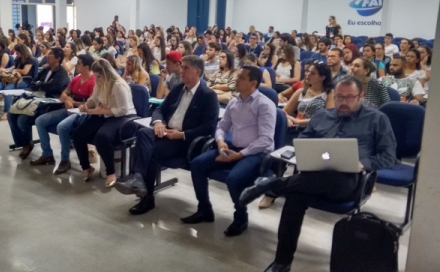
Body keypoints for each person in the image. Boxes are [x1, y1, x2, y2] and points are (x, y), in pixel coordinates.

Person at [238, 76, 396, 272]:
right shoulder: (322, 116)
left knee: (333, 176)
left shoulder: (377, 119)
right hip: (309, 177)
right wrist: (306, 152)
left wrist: (363, 164)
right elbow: (303, 140)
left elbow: (389, 156)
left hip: (347, 180)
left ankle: (272, 185)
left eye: (349, 98)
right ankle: (282, 262)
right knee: (295, 198)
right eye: (339, 97)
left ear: (361, 96)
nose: (343, 102)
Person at [114, 55, 220, 215]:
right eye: (181, 67)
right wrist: (158, 122)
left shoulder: (208, 95)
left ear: (197, 71)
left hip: (185, 141)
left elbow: (209, 127)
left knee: (148, 151)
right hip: (165, 132)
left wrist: (181, 134)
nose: (181, 71)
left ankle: (145, 194)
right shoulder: (178, 88)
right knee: (143, 132)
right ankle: (138, 179)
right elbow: (159, 110)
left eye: (186, 68)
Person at [180, 66, 276, 236]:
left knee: (234, 179)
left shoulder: (264, 105)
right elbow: (222, 126)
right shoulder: (234, 101)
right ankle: (204, 210)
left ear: (253, 83)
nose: (236, 80)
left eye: (241, 78)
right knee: (197, 164)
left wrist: (239, 155)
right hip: (232, 147)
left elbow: (265, 140)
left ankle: (241, 218)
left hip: (256, 153)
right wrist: (220, 141)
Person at [71, 59, 137, 187]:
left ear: (107, 74)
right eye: (95, 76)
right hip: (106, 113)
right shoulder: (99, 82)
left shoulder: (118, 85)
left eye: (99, 77)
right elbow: (94, 98)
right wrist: (86, 105)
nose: (97, 79)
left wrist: (98, 111)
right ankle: (86, 167)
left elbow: (122, 110)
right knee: (78, 134)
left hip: (124, 117)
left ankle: (111, 172)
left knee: (102, 137)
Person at [32, 54, 96, 174]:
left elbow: (90, 104)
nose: (76, 65)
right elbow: (63, 94)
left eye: (79, 64)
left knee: (62, 127)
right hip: (69, 109)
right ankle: (47, 154)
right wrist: (67, 100)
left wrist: (73, 101)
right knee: (40, 121)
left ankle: (65, 159)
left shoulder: (93, 81)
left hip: (83, 114)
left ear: (86, 67)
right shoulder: (76, 78)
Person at [7, 47, 70, 158]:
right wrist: (42, 85)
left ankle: (28, 143)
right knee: (11, 114)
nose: (47, 57)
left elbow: (55, 87)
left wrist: (40, 85)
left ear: (58, 58)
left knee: (23, 119)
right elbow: (33, 82)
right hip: (36, 99)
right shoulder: (46, 69)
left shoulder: (62, 73)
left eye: (50, 55)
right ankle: (22, 143)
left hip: (49, 104)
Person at [0, 43, 35, 121]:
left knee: (7, 90)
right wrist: (8, 70)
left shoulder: (30, 59)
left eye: (17, 52)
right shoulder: (18, 58)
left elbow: (25, 71)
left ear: (22, 51)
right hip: (14, 78)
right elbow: (15, 67)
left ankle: (6, 112)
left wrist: (14, 70)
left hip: (24, 80)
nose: (16, 54)